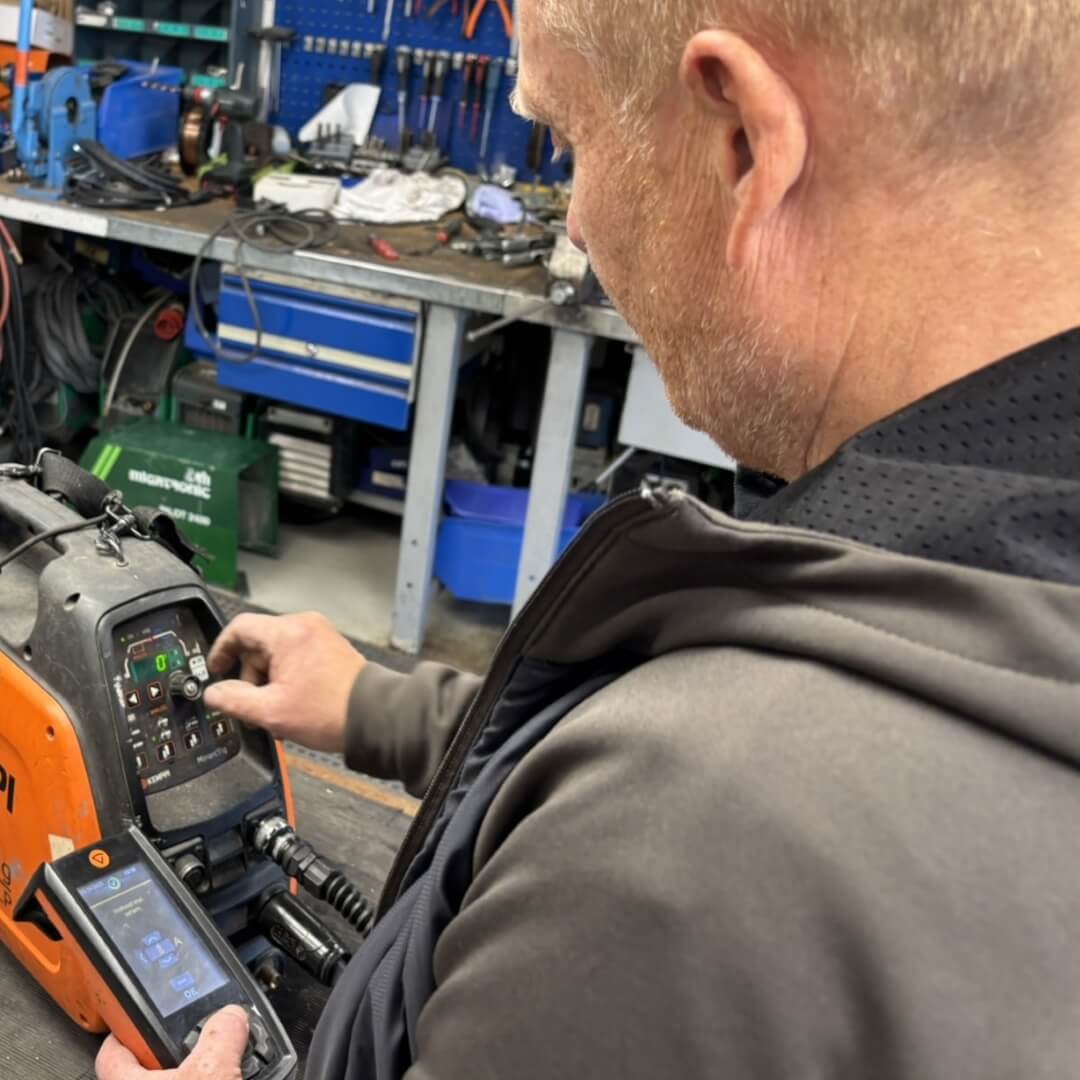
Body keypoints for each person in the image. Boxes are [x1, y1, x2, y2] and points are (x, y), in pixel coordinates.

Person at [99, 0, 1080, 1076]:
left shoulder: (692, 842)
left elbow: (680, 805)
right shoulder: (974, 552)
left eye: (570, 139)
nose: (575, 224)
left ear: (745, 144)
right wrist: (385, 709)